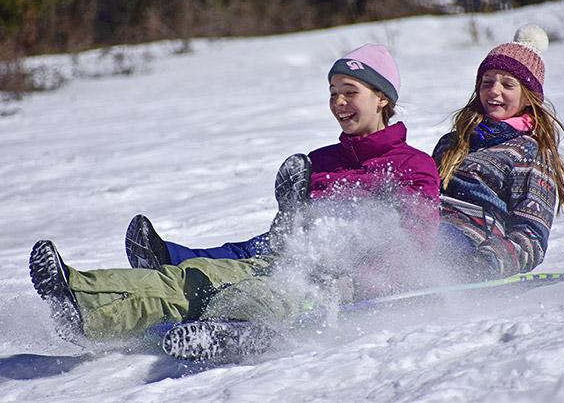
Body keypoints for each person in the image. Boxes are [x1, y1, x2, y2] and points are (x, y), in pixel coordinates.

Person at [29, 44, 440, 357]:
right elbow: (286, 234)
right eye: (333, 93)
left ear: (382, 98)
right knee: (194, 277)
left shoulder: (412, 166)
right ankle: (82, 303)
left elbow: (414, 246)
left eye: (349, 92)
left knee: (265, 294)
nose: (338, 103)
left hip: (339, 282)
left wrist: (360, 280)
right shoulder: (320, 161)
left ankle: (229, 330)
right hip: (283, 258)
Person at [432, 24, 564, 283]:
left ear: (529, 97)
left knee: (431, 243)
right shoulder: (453, 142)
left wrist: (488, 263)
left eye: (507, 85)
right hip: (426, 225)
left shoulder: (530, 153)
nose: (494, 91)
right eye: (487, 82)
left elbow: (531, 234)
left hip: (471, 242)